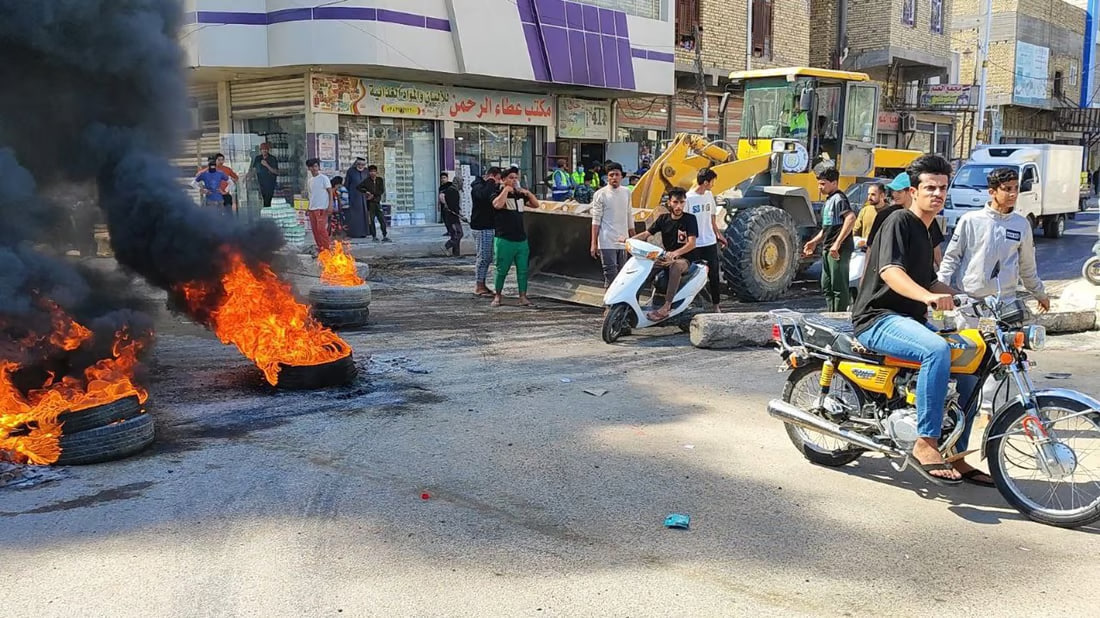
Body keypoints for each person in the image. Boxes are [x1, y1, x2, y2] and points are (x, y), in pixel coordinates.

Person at [852, 154, 981, 485]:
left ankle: (956, 452)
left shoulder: (929, 229)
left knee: (970, 365)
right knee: (936, 350)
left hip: (909, 320)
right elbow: (891, 272)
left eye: (942, 188)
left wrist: (969, 298)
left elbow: (929, 280)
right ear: (912, 190)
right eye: (929, 188)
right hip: (878, 318)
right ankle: (926, 441)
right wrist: (927, 298)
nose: (937, 194)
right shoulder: (899, 221)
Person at [938, 167, 1050, 456]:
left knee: (1003, 361)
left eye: (1015, 188)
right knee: (969, 364)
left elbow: (1027, 265)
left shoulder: (1021, 225)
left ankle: (989, 410)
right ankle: (961, 414)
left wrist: (1039, 292)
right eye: (1007, 189)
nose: (1012, 194)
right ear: (992, 191)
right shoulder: (970, 220)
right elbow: (952, 258)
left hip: (1004, 305)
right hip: (971, 305)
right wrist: (942, 291)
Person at [626, 187, 698, 322]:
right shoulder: (663, 218)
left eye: (682, 202)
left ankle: (667, 306)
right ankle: (631, 302)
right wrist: (629, 240)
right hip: (666, 255)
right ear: (669, 203)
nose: (679, 206)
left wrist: (675, 254)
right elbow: (647, 234)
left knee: (675, 266)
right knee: (645, 268)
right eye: (676, 202)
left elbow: (692, 244)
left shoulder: (690, 219)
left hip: (684, 259)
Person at [802, 166, 856, 311]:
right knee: (827, 285)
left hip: (838, 249)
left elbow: (850, 218)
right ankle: (830, 313)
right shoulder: (829, 200)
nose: (820, 187)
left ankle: (838, 317)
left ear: (834, 183)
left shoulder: (839, 199)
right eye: (819, 183)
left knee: (839, 286)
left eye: (823, 183)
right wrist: (814, 242)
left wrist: (837, 244)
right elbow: (828, 228)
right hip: (828, 247)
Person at [490, 166, 540, 307]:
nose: (514, 180)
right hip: (504, 238)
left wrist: (527, 193)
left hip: (521, 238)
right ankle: (498, 295)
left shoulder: (520, 195)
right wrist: (506, 189)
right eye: (511, 178)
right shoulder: (497, 192)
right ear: (504, 179)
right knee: (501, 269)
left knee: (523, 270)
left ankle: (523, 296)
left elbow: (536, 204)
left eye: (516, 178)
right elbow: (497, 205)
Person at [685, 168, 728, 312]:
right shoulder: (688, 199)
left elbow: (712, 217)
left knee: (714, 274)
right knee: (693, 275)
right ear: (705, 182)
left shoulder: (709, 195)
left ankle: (716, 305)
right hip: (694, 244)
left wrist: (718, 234)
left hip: (709, 241)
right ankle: (694, 304)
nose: (713, 185)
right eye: (712, 182)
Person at [589, 162, 633, 287]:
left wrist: (633, 237)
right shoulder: (600, 194)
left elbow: (629, 215)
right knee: (610, 273)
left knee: (623, 273)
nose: (614, 177)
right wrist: (594, 243)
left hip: (623, 240)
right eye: (611, 175)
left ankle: (620, 303)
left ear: (621, 177)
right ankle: (609, 303)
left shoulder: (626, 192)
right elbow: (596, 220)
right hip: (606, 240)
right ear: (607, 177)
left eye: (617, 175)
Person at [470, 167, 501, 296]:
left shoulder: (489, 186)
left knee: (488, 257)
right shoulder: (478, 186)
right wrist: (491, 182)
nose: (498, 182)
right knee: (484, 256)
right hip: (482, 226)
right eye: (498, 179)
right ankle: (479, 285)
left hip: (491, 225)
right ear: (492, 176)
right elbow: (483, 196)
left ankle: (482, 284)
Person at [305, 158, 334, 253]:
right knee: (315, 230)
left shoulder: (324, 178)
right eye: (312, 167)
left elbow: (330, 192)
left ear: (318, 167)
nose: (314, 168)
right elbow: (311, 195)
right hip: (312, 208)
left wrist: (330, 205)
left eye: (316, 166)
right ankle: (320, 248)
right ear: (309, 168)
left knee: (321, 229)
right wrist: (308, 207)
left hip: (322, 208)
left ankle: (327, 248)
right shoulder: (310, 181)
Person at [356, 164, 389, 242]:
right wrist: (366, 192)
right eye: (371, 171)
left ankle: (385, 235)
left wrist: (373, 195)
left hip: (377, 202)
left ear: (376, 172)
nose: (372, 173)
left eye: (374, 171)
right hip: (370, 204)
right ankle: (374, 236)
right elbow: (358, 187)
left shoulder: (380, 180)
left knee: (382, 220)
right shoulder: (367, 181)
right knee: (372, 220)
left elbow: (381, 190)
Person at [344, 157, 370, 238]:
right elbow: (346, 184)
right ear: (356, 164)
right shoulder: (351, 171)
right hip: (354, 196)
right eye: (359, 164)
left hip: (364, 196)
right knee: (355, 215)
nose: (361, 166)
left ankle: (364, 233)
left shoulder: (366, 171)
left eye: (363, 164)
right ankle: (354, 233)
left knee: (364, 214)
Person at [439, 172, 464, 257]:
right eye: (461, 182)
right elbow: (453, 206)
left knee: (455, 234)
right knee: (459, 233)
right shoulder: (453, 191)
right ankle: (446, 246)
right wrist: (460, 215)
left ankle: (456, 254)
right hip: (452, 216)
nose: (462, 184)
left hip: (451, 216)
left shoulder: (451, 190)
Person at [248, 142, 280, 208]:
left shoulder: (272, 158)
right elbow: (254, 169)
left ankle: (267, 213)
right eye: (263, 149)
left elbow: (276, 172)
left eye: (266, 149)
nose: (264, 151)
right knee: (263, 198)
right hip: (260, 182)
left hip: (270, 183)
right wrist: (249, 177)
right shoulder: (258, 158)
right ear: (260, 150)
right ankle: (265, 212)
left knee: (268, 199)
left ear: (268, 150)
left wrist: (267, 165)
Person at [330, 175, 349, 240]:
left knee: (337, 224)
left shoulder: (336, 192)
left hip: (336, 210)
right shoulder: (332, 191)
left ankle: (337, 237)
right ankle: (334, 237)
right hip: (333, 211)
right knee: (334, 225)